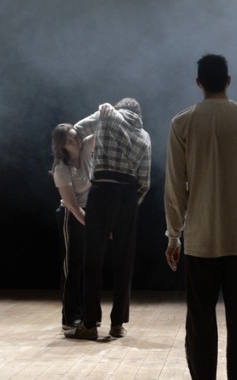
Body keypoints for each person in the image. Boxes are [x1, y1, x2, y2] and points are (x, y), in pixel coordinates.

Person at [164, 54, 237, 380]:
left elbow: (175, 186)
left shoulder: (182, 123)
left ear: (199, 83)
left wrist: (173, 235)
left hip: (200, 241)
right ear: (228, 81)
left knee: (199, 323)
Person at [64, 98, 151, 340]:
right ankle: (117, 324)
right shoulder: (144, 135)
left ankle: (90, 323)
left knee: (93, 258)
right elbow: (145, 180)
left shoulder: (106, 113)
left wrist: (70, 159)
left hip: (103, 189)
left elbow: (76, 131)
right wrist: (133, 202)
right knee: (124, 261)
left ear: (120, 107)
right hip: (128, 195)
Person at [50, 123, 94, 330]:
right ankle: (69, 318)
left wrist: (106, 111)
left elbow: (101, 128)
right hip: (71, 217)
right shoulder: (61, 169)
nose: (75, 142)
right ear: (62, 146)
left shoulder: (85, 149)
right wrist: (96, 229)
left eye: (76, 137)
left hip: (88, 215)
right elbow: (74, 208)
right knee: (72, 267)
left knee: (86, 266)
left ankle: (85, 313)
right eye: (69, 140)